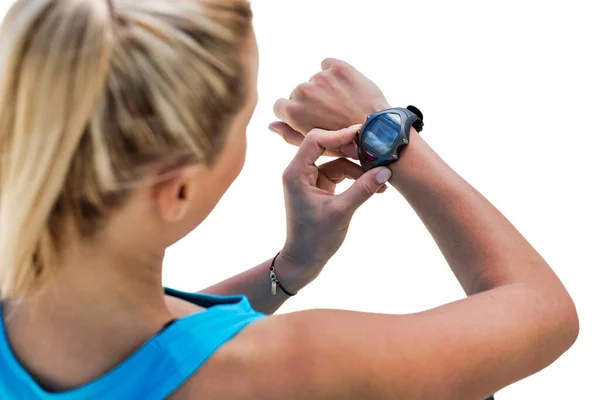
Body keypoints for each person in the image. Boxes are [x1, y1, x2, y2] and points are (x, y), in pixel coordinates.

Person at [0, 0, 578, 399]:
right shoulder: (293, 370)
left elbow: (146, 359)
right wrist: (386, 133)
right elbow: (543, 311)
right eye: (245, 115)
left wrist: (290, 268)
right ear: (177, 189)